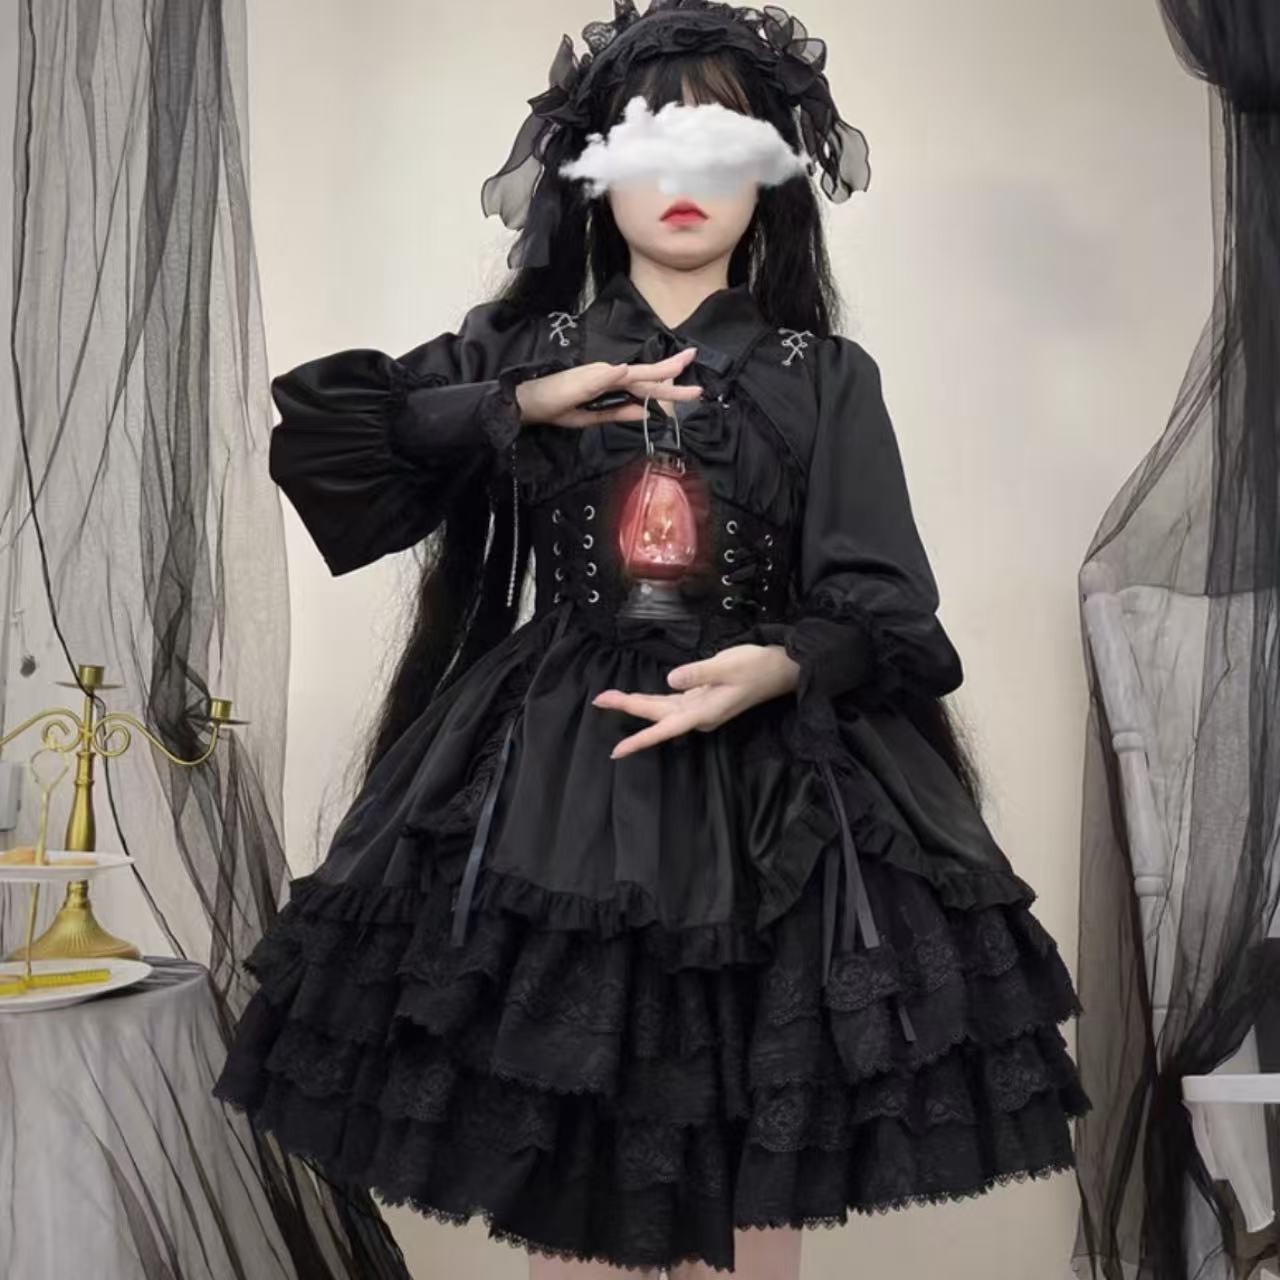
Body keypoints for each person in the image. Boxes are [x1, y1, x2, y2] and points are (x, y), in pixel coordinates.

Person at [214, 3, 1091, 1275]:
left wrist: (780, 662)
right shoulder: (528, 349)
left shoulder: (822, 373)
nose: (685, 180)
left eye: (721, 148)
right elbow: (329, 441)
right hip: (548, 784)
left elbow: (888, 606)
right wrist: (522, 399)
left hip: (767, 797)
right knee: (562, 1157)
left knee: (752, 1173)